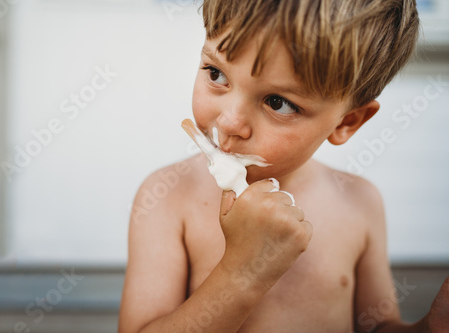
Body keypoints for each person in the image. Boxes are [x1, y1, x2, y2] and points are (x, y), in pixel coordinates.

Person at [118, 0, 449, 332]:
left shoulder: (360, 203)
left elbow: (377, 326)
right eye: (216, 74)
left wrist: (429, 328)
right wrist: (243, 273)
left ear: (347, 121)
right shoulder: (167, 198)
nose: (230, 121)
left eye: (278, 102)